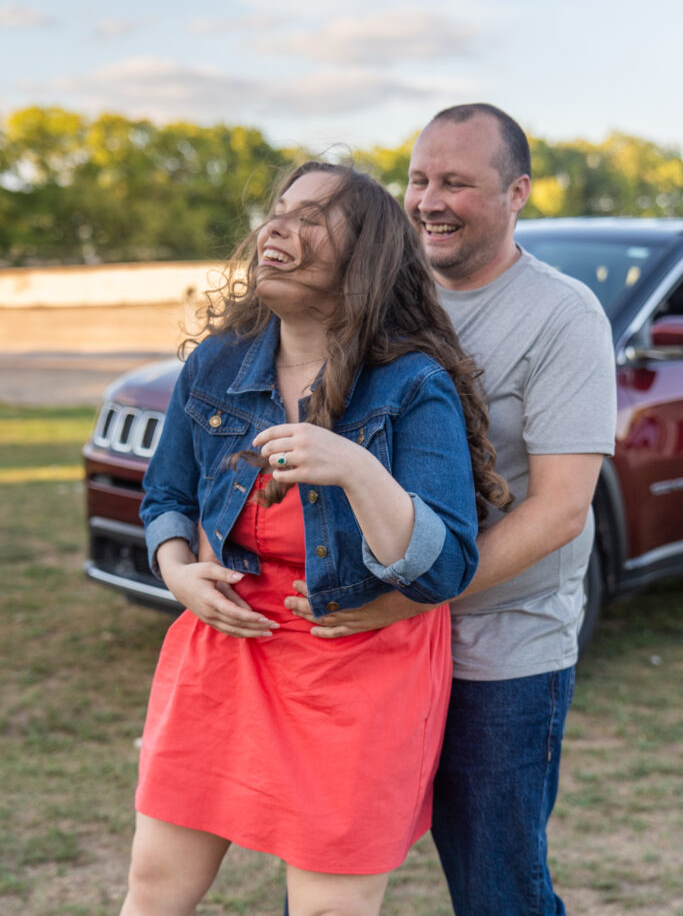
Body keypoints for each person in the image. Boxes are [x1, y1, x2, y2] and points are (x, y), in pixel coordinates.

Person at [121, 160, 510, 916]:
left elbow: (447, 566)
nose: (277, 229)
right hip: (225, 657)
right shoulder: (218, 363)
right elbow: (165, 494)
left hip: (357, 673)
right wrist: (176, 570)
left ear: (362, 262)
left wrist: (359, 471)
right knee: (155, 889)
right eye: (278, 211)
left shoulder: (410, 384)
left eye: (311, 220)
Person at [283, 106, 617, 916]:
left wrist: (410, 594)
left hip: (497, 650)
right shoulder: (372, 302)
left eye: (456, 183)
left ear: (517, 193)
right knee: (325, 875)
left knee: (496, 888)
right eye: (419, 180)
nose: (428, 201)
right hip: (372, 645)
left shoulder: (562, 316)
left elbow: (561, 509)